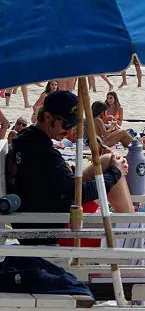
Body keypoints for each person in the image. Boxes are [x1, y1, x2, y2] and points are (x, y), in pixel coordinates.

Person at [8, 90, 134, 244]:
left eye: (73, 125)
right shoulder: (43, 153)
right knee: (113, 168)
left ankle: (131, 224)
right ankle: (132, 233)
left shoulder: (27, 138)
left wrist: (111, 167)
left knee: (107, 160)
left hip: (42, 216)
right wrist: (115, 172)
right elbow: (80, 193)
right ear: (47, 117)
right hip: (56, 229)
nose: (69, 131)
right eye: (67, 124)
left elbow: (54, 179)